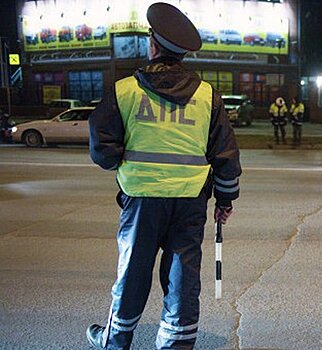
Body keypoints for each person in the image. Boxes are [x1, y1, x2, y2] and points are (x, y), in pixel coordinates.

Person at [86, 3, 241, 349]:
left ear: (152, 45)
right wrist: (226, 200)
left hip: (140, 200)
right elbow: (226, 156)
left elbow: (102, 150)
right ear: (183, 53)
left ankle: (115, 340)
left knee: (132, 272)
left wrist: (123, 161)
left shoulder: (125, 90)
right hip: (189, 202)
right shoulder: (207, 97)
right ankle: (175, 344)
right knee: (183, 277)